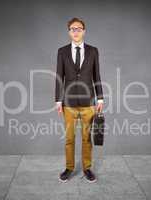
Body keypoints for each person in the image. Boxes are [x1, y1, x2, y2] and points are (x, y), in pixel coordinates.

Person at [55, 17, 104, 183]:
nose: (76, 31)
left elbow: (97, 75)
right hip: (68, 102)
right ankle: (69, 168)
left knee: (86, 138)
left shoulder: (93, 51)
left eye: (79, 28)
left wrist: (101, 98)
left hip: (88, 101)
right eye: (73, 29)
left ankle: (87, 168)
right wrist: (57, 100)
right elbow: (58, 77)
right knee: (69, 138)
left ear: (84, 31)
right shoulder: (62, 51)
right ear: (69, 32)